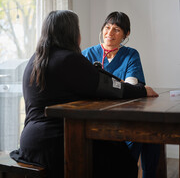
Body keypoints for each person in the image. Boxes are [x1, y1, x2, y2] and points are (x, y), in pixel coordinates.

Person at [10, 10, 158, 178]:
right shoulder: (70, 59)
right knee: (124, 160)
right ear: (71, 33)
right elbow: (111, 87)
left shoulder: (35, 59)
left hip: (29, 143)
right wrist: (142, 90)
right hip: (61, 143)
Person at [82, 11, 160, 178]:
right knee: (142, 135)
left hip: (125, 113)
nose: (110, 33)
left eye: (116, 29)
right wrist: (121, 87)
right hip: (96, 116)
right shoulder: (87, 54)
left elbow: (131, 86)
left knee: (150, 133)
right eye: (107, 27)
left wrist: (113, 87)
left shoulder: (131, 54)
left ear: (126, 34)